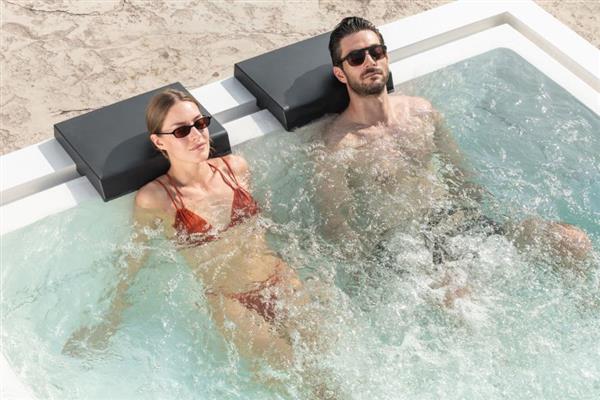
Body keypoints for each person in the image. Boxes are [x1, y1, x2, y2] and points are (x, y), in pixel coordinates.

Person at [63, 89, 342, 397]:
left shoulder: (235, 168)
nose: (197, 135)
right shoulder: (155, 199)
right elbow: (134, 257)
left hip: (279, 279)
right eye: (181, 131)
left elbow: (266, 225)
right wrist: (110, 317)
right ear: (159, 142)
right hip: (231, 301)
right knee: (298, 382)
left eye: (200, 123)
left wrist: (312, 265)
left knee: (329, 366)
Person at [315, 17, 592, 280]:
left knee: (572, 241)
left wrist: (494, 225)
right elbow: (335, 228)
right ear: (340, 73)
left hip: (455, 222)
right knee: (456, 288)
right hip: (403, 246)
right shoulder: (339, 147)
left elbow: (461, 177)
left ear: (386, 56)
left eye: (376, 52)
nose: (370, 62)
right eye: (356, 58)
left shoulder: (421, 112)